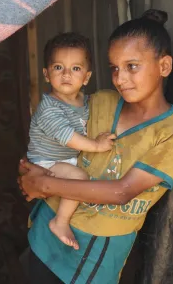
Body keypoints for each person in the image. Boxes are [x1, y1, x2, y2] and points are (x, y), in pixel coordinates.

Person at [18, 9, 173, 284]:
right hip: (47, 228)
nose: (120, 78)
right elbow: (53, 129)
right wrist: (31, 169)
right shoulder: (101, 101)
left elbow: (121, 192)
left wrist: (42, 184)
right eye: (114, 68)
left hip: (93, 249)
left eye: (132, 66)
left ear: (163, 66)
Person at [26, 32, 116, 250]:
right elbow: (68, 137)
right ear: (46, 74)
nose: (66, 74)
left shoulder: (85, 101)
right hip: (45, 163)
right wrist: (96, 145)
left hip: (65, 159)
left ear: (86, 77)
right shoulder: (49, 108)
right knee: (79, 178)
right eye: (58, 67)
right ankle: (60, 222)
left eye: (75, 68)